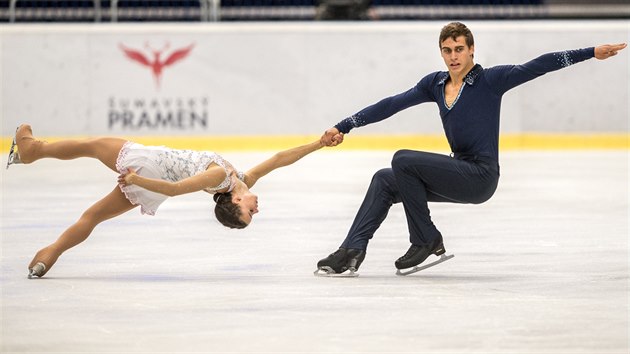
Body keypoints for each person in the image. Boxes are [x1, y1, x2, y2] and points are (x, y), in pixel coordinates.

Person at [315, 22, 627, 276]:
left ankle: (425, 238)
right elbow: (392, 104)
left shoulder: (491, 80)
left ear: (471, 49)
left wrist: (590, 53)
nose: (453, 56)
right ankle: (352, 249)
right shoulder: (435, 84)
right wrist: (345, 124)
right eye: (447, 50)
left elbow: (539, 65)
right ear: (441, 53)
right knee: (385, 179)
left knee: (402, 160)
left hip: (480, 176)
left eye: (459, 49)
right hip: (458, 170)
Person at [7, 124, 336, 278]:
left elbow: (175, 190)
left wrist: (136, 179)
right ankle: (48, 256)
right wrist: (319, 144)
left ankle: (34, 151)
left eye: (251, 211)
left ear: (236, 200)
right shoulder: (240, 180)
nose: (257, 208)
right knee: (92, 217)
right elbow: (280, 158)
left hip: (150, 168)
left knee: (92, 145)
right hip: (152, 186)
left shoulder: (218, 177)